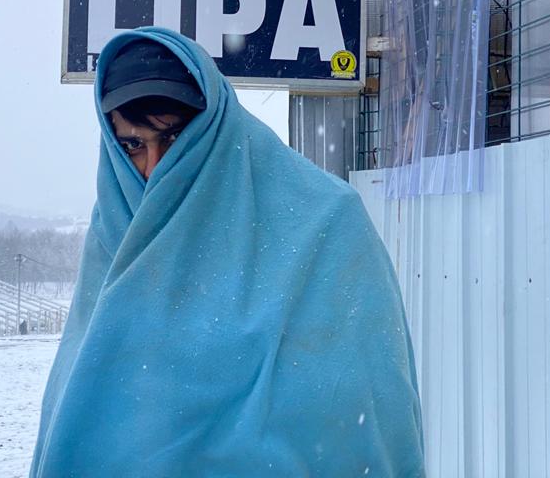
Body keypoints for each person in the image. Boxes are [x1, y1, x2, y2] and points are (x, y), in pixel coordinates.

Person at [31, 28, 424, 477]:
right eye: (133, 145)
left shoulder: (326, 221)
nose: (155, 168)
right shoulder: (118, 226)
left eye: (175, 138)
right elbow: (83, 407)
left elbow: (358, 414)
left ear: (214, 124)